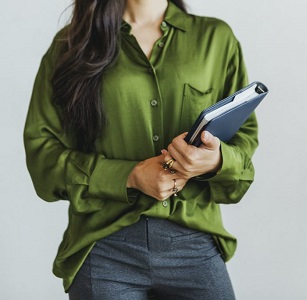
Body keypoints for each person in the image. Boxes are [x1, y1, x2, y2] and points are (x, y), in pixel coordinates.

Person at [24, 0, 258, 299]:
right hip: (105, 247)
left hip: (194, 242)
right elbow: (42, 154)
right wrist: (129, 176)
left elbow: (244, 137)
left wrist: (215, 160)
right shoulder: (71, 44)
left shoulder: (216, 38)